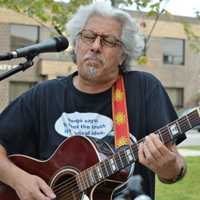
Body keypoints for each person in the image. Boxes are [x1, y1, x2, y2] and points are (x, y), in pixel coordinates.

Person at [0, 2, 187, 200]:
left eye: (108, 41)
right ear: (77, 43)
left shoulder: (144, 88)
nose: (95, 46)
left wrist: (170, 168)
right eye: (88, 37)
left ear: (123, 55)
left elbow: (175, 166)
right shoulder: (43, 95)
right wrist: (17, 179)